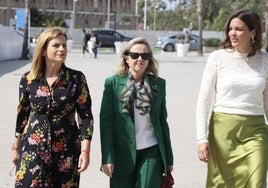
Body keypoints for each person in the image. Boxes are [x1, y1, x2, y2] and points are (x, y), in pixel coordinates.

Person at [11, 27, 94, 187]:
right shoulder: (28, 79)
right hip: (33, 149)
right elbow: (22, 116)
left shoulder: (76, 79)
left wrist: (85, 151)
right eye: (56, 45)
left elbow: (85, 117)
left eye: (64, 45)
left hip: (66, 151)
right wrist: (16, 147)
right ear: (43, 50)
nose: (62, 49)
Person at [196, 9, 268, 187]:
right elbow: (204, 99)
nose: (232, 33)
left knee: (257, 182)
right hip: (223, 131)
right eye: (230, 29)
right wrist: (202, 139)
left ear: (253, 32)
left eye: (239, 29)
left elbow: (267, 101)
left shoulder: (265, 59)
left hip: (256, 130)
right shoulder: (217, 58)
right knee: (222, 183)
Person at [99, 37, 174, 188]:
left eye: (145, 56)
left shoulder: (159, 84)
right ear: (126, 58)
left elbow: (162, 122)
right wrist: (107, 157)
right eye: (135, 55)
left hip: (151, 151)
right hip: (122, 154)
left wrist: (168, 158)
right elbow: (106, 124)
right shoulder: (112, 84)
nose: (140, 59)